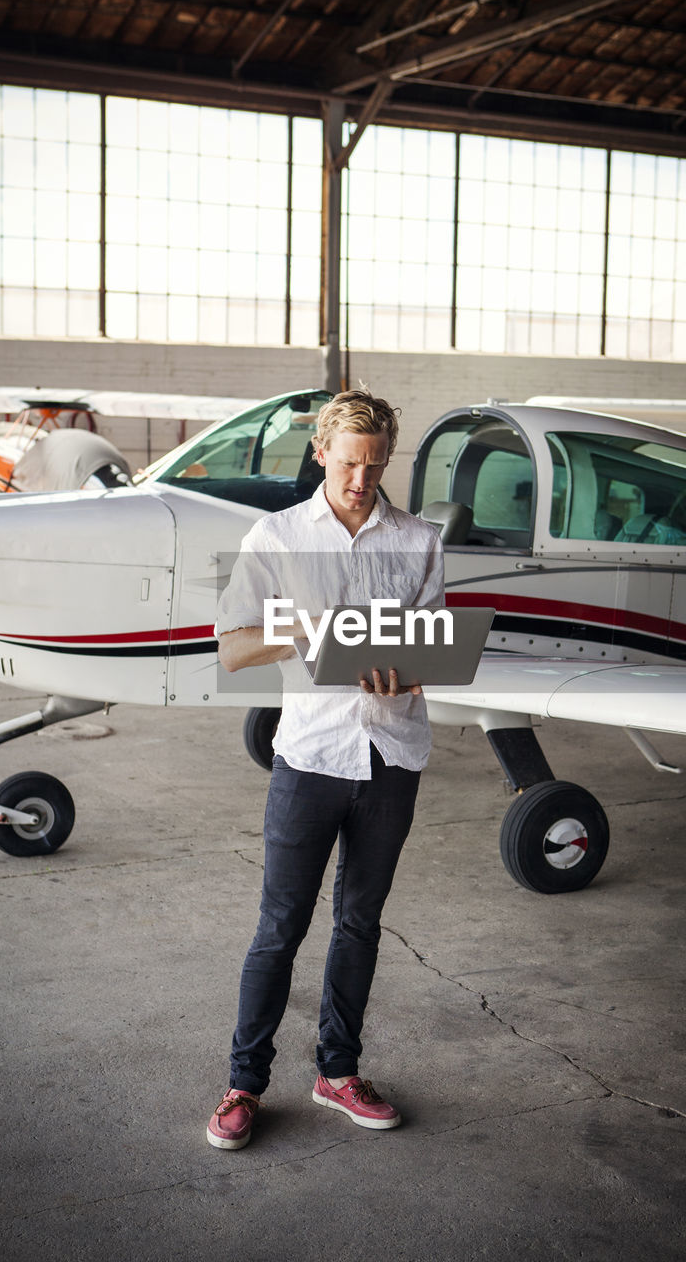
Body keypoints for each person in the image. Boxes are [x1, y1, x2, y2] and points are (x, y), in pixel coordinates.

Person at [207, 387, 445, 1150]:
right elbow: (234, 647)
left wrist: (407, 671)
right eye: (348, 464)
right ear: (320, 453)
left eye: (375, 468)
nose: (359, 482)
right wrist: (305, 628)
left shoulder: (417, 541)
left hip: (389, 755)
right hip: (309, 758)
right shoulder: (274, 537)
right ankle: (243, 1084)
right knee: (279, 928)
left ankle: (337, 1073)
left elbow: (433, 649)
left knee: (359, 925)